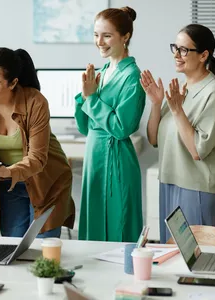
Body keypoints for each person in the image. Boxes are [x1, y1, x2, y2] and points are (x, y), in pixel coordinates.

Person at [0, 47, 75, 238]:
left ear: (13, 83)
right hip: (8, 184)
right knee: (12, 247)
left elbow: (38, 158)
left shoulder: (35, 102)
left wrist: (7, 171)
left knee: (42, 250)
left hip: (46, 182)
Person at [141, 24, 215, 243]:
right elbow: (154, 140)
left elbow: (197, 150)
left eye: (184, 50)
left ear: (203, 55)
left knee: (195, 262)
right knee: (171, 256)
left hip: (198, 188)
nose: (176, 55)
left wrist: (177, 110)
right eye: (175, 47)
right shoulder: (182, 88)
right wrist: (156, 104)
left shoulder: (214, 92)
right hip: (170, 182)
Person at [74, 7, 146, 242]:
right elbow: (85, 128)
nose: (99, 42)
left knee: (118, 228)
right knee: (92, 226)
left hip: (116, 159)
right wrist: (85, 96)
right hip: (94, 156)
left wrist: (92, 99)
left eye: (106, 35)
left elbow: (122, 127)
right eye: (96, 35)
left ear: (125, 37)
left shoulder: (132, 77)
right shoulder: (103, 72)